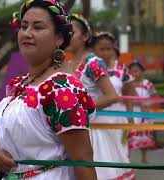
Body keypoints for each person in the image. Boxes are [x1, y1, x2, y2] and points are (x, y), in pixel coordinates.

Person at [0, 1, 97, 179]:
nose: (27, 33)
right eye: (24, 26)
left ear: (59, 38)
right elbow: (4, 126)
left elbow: (83, 162)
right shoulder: (19, 83)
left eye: (38, 27)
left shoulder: (63, 89)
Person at [66, 15, 133, 179]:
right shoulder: (65, 64)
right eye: (63, 31)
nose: (66, 35)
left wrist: (82, 110)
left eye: (71, 32)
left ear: (85, 36)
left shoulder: (93, 62)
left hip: (94, 133)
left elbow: (112, 96)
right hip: (73, 132)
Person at [91, 31, 136, 179]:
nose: (105, 52)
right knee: (98, 155)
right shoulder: (89, 68)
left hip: (117, 119)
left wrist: (130, 115)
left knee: (117, 153)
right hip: (95, 119)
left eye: (108, 49)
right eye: (101, 49)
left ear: (113, 49)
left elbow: (130, 94)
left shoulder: (121, 69)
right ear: (93, 50)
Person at [128, 62, 158, 163]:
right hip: (132, 112)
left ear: (142, 71)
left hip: (144, 112)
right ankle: (127, 157)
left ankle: (144, 157)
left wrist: (148, 104)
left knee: (144, 134)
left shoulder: (147, 84)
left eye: (136, 71)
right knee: (129, 134)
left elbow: (154, 97)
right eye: (131, 72)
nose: (134, 74)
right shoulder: (128, 85)